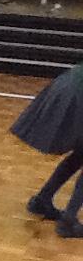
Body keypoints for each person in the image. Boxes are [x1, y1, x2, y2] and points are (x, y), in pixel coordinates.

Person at [11, 63, 83, 238]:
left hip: (69, 84)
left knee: (80, 153)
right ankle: (68, 221)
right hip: (77, 93)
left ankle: (42, 200)